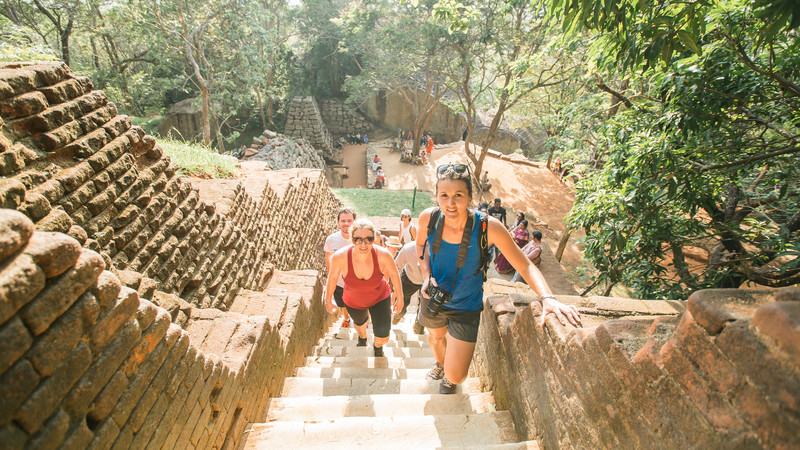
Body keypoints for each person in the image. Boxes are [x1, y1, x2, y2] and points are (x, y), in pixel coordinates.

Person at [416, 163, 580, 394]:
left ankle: (449, 375)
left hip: (466, 305)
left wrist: (547, 297)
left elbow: (524, 264)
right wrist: (426, 275)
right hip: (433, 297)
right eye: (444, 195)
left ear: (470, 197)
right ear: (437, 195)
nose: (450, 203)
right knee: (435, 337)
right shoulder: (428, 218)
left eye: (458, 195)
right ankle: (440, 364)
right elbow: (421, 246)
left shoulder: (488, 227)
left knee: (458, 375)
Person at [324, 219, 404, 357]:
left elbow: (395, 275)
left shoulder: (383, 255)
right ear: (351, 239)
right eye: (358, 239)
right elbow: (332, 278)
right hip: (354, 301)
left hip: (380, 297)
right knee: (360, 323)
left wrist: (400, 298)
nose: (363, 244)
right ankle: (363, 338)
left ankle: (377, 345)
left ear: (375, 238)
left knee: (383, 337)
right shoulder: (340, 257)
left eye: (369, 239)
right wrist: (328, 300)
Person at [324, 207, 357, 329]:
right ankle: (346, 318)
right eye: (343, 221)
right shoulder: (332, 240)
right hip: (339, 281)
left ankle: (363, 321)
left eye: (349, 220)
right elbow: (328, 256)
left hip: (357, 281)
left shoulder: (360, 239)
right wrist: (330, 273)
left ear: (354, 222)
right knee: (342, 303)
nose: (346, 224)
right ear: (338, 222)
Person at [394, 240, 425, 332]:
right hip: (409, 278)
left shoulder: (435, 247)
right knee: (401, 302)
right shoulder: (408, 248)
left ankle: (418, 328)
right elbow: (397, 267)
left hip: (426, 281)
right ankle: (397, 316)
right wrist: (395, 287)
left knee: (423, 307)